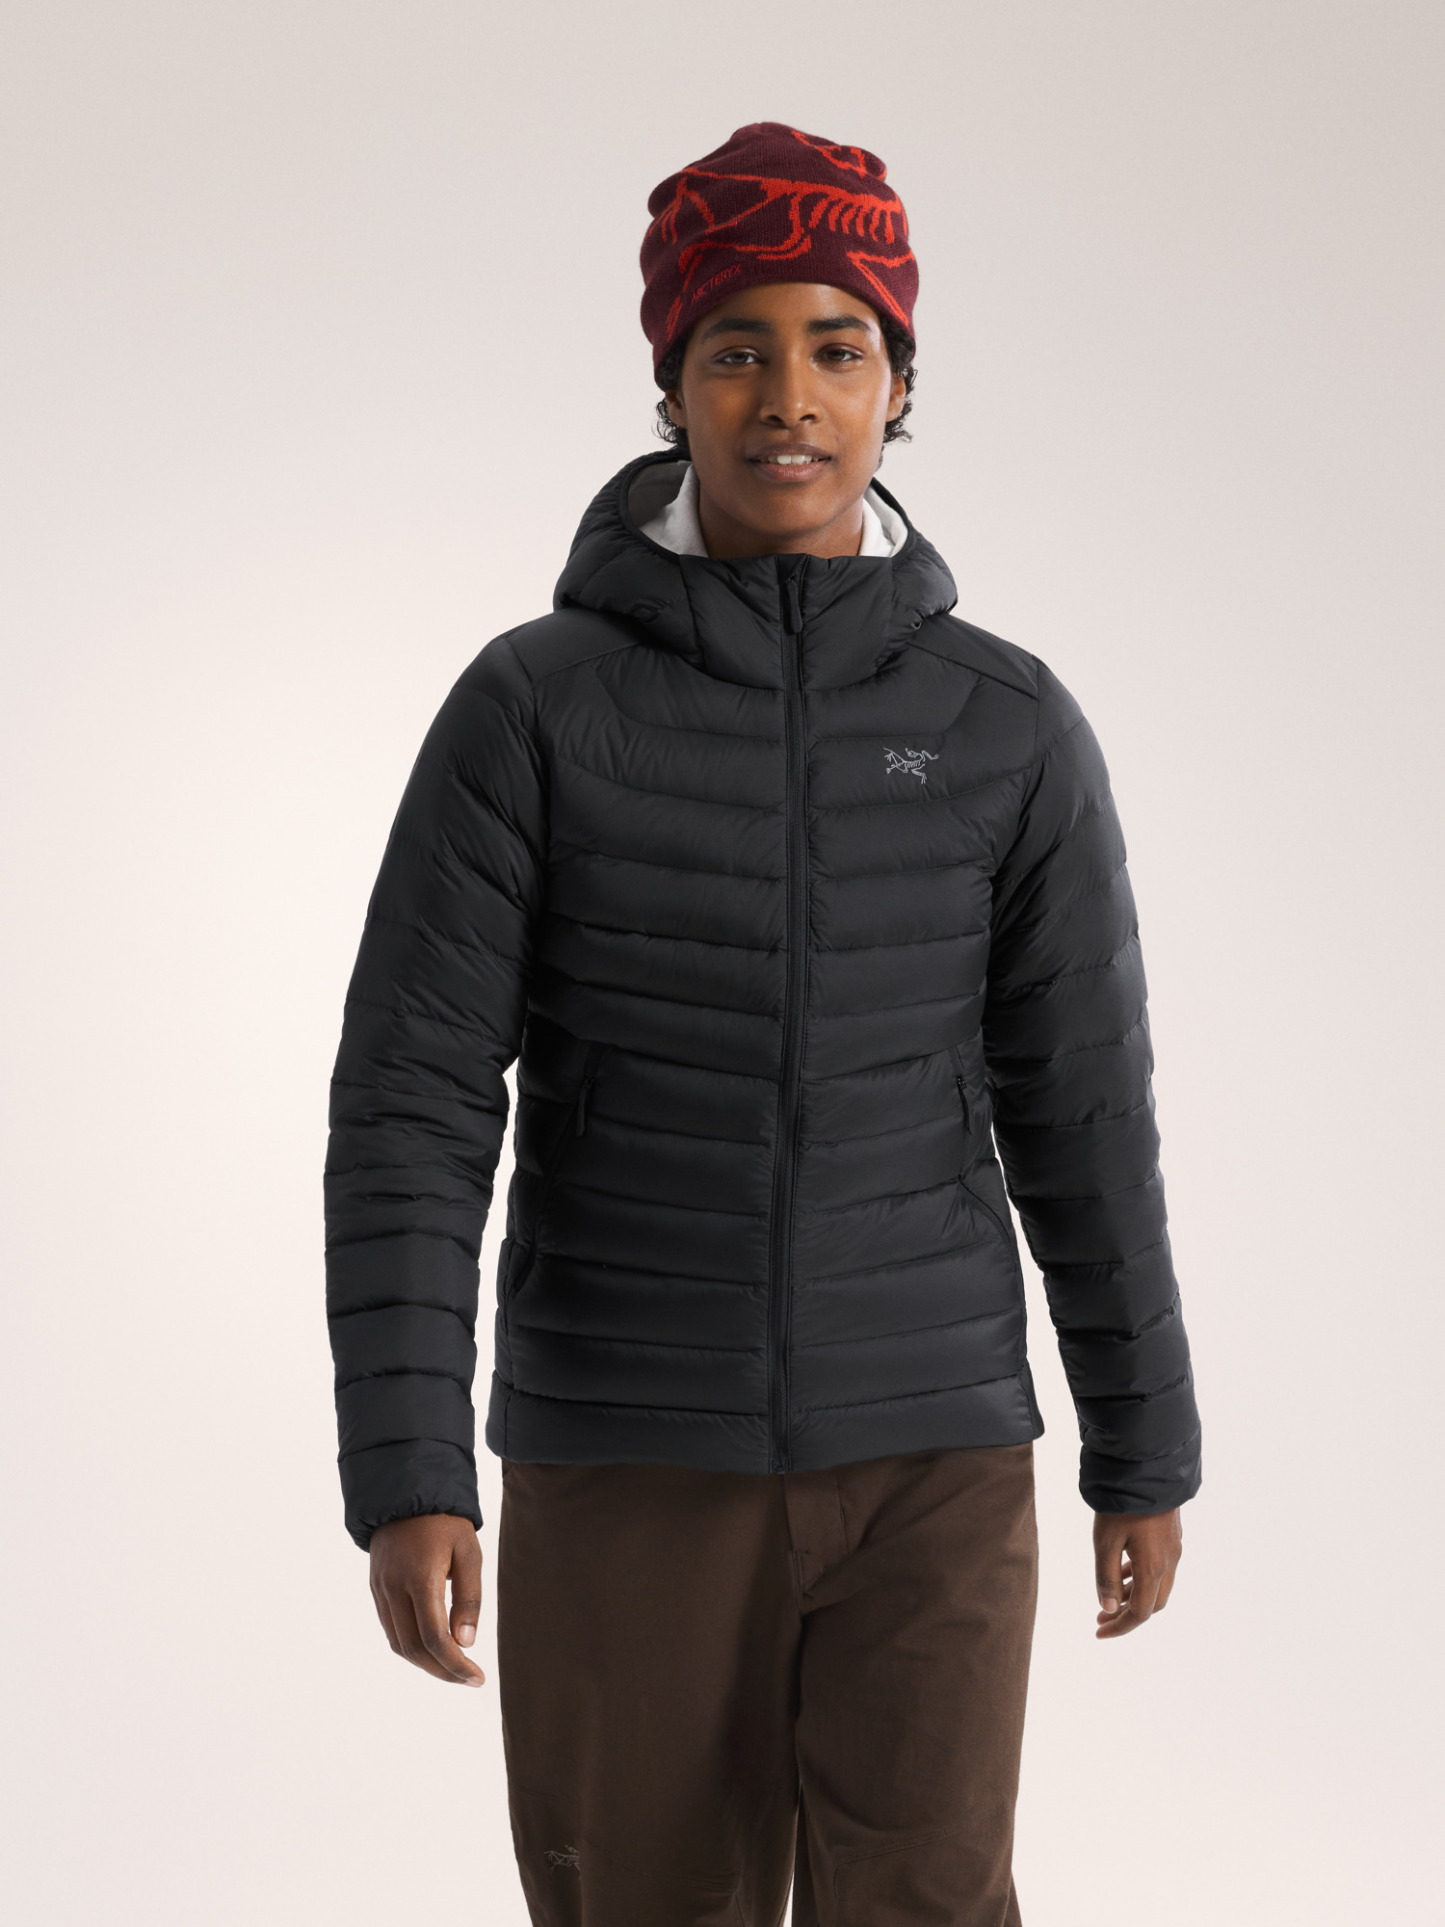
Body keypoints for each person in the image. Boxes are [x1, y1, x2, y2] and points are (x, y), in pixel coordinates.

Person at [324, 121, 1202, 1927]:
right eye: (735, 349)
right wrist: (408, 1471)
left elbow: (1081, 1108)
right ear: (671, 388)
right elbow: (412, 1102)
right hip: (625, 1448)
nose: (787, 397)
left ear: (898, 386)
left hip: (934, 1452)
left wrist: (1144, 1443)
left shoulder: (1003, 723)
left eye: (835, 347)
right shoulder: (532, 709)